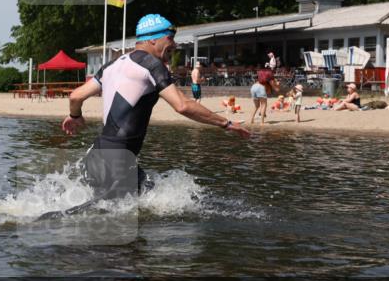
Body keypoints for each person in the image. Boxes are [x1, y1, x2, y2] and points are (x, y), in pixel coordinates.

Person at [62, 14, 251, 199]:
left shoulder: (111, 65)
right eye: (170, 38)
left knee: (141, 203)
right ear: (152, 40)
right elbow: (182, 105)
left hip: (98, 153)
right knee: (121, 218)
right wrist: (226, 124)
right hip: (117, 159)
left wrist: (75, 116)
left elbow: (76, 96)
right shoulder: (151, 65)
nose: (175, 45)